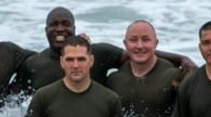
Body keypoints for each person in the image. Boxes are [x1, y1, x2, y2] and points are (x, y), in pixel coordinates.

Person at [17, 8, 195, 94]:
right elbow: (13, 103)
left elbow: (135, 53)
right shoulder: (34, 64)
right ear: (45, 29)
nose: (60, 29)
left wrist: (180, 59)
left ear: (74, 28)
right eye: (54, 25)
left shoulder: (99, 53)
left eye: (66, 24)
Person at [106, 20, 186, 117]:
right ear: (125, 44)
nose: (139, 46)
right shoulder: (114, 79)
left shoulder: (174, 75)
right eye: (133, 40)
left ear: (156, 43)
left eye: (146, 40)